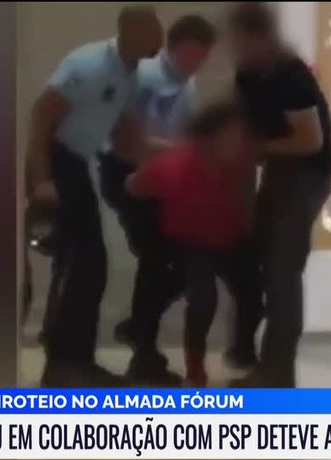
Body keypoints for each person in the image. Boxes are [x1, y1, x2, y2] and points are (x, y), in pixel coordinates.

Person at [24, 5, 163, 388]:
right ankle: (65, 365)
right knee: (83, 260)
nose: (160, 38)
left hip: (74, 162)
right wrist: (42, 181)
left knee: (88, 261)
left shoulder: (129, 73)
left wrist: (166, 161)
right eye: (154, 30)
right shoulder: (89, 65)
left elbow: (125, 136)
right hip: (54, 159)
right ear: (132, 31)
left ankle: (73, 362)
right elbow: (41, 116)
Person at [100, 14, 218, 386]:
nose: (197, 64)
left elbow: (185, 138)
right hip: (128, 173)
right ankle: (143, 347)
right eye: (193, 56)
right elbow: (128, 141)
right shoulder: (145, 76)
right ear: (175, 47)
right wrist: (186, 154)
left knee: (174, 262)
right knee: (159, 258)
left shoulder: (187, 83)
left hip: (162, 178)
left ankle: (140, 333)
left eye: (203, 58)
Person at [225, 3, 331, 387]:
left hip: (308, 174)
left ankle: (277, 372)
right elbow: (248, 132)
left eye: (243, 41)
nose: (237, 48)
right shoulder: (247, 76)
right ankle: (254, 357)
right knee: (258, 260)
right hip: (278, 170)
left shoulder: (291, 77)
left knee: (282, 270)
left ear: (262, 38)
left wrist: (255, 150)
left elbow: (310, 141)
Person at [124, 101, 263, 387]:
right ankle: (195, 366)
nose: (240, 143)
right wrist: (147, 232)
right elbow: (134, 186)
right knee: (203, 297)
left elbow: (247, 207)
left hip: (229, 239)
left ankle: (243, 351)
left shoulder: (241, 164)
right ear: (210, 136)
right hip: (189, 241)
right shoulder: (175, 164)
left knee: (253, 290)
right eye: (233, 136)